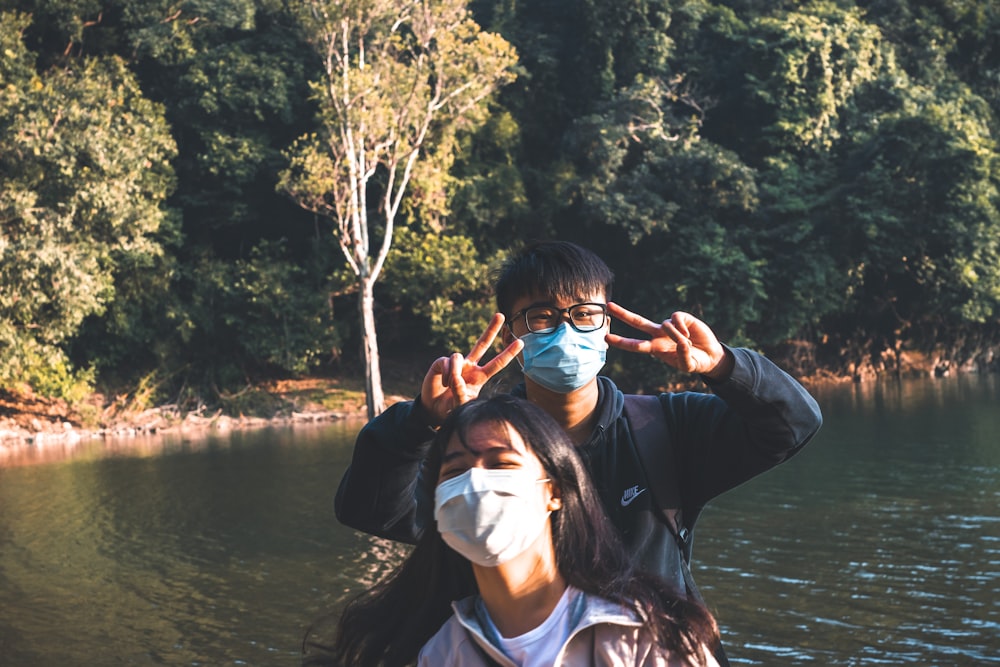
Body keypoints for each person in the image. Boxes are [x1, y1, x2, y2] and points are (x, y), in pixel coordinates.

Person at [334, 240, 823, 663]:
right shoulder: (481, 452)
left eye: (584, 314)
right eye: (542, 316)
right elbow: (372, 509)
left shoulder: (667, 428)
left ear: (607, 320)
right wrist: (422, 420)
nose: (565, 330)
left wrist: (723, 367)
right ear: (512, 335)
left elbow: (793, 424)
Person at [307, 396, 721, 666]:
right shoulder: (441, 653)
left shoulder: (647, 638)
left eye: (501, 464)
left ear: (555, 491)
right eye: (454, 470)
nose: (474, 481)